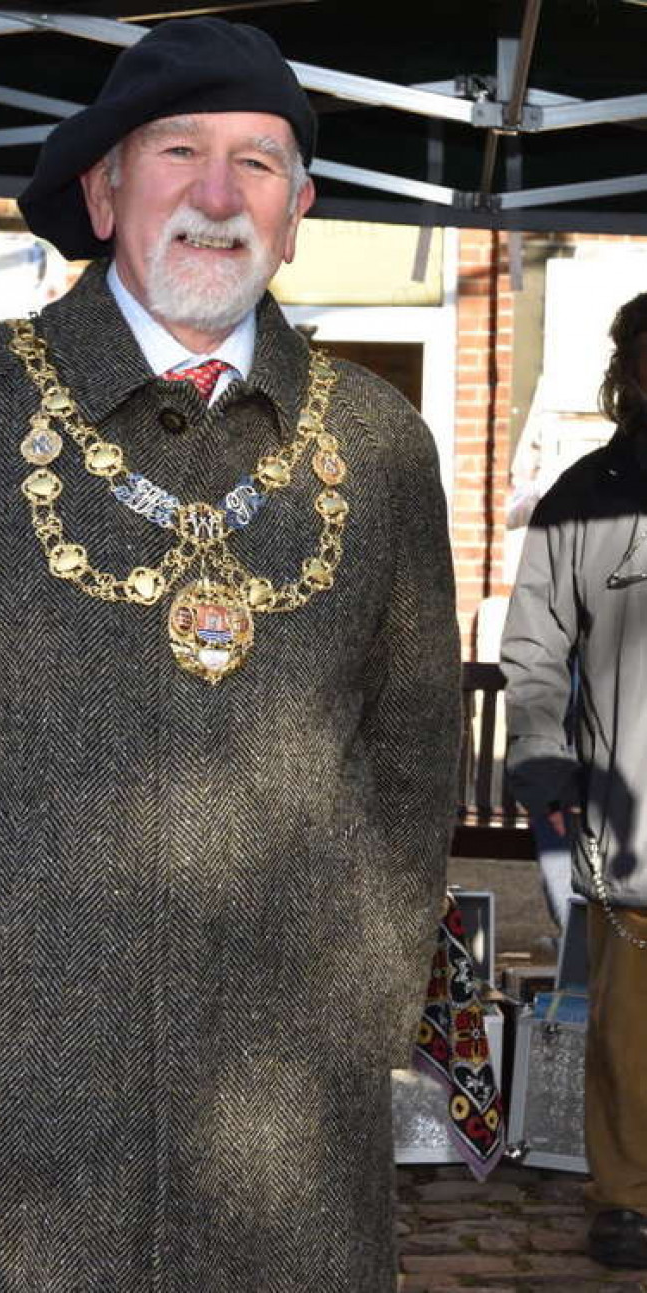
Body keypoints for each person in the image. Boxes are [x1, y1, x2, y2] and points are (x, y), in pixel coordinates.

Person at [0, 19, 461, 1291]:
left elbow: (410, 763)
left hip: (282, 1111)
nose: (213, 194)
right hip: (0, 1086)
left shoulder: (383, 442)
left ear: (298, 212)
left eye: (257, 163)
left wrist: (360, 1009)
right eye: (177, 151)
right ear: (101, 191)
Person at [501, 291, 647, 1271]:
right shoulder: (585, 495)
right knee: (630, 1041)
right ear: (628, 372)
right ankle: (627, 1199)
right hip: (631, 818)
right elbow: (532, 652)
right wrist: (543, 760)